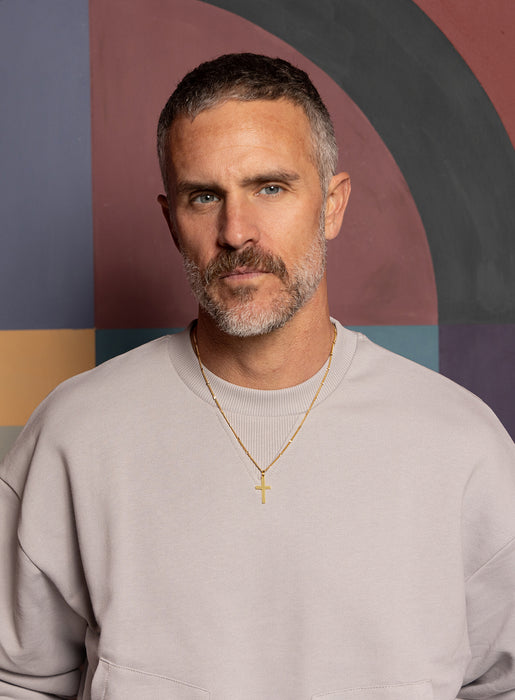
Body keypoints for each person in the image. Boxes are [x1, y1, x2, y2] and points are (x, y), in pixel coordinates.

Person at [1, 53, 514, 700]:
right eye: (204, 196)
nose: (235, 232)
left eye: (270, 187)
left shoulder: (461, 442)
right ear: (171, 221)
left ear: (331, 206)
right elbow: (15, 681)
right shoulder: (75, 433)